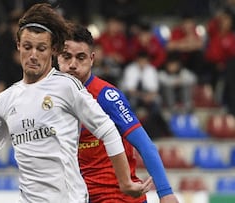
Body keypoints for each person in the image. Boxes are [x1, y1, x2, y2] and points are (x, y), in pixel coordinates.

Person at [0, 3, 152, 203]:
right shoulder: (6, 100)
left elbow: (108, 130)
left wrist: (124, 181)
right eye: (27, 47)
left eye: (41, 48)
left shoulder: (66, 87)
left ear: (52, 51)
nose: (33, 55)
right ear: (18, 46)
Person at [57, 23, 179, 203]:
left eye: (80, 57)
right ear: (57, 57)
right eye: (66, 57)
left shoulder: (107, 96)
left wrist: (165, 192)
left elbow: (145, 145)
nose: (73, 64)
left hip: (116, 196)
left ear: (92, 59)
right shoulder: (51, 98)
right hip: (78, 196)